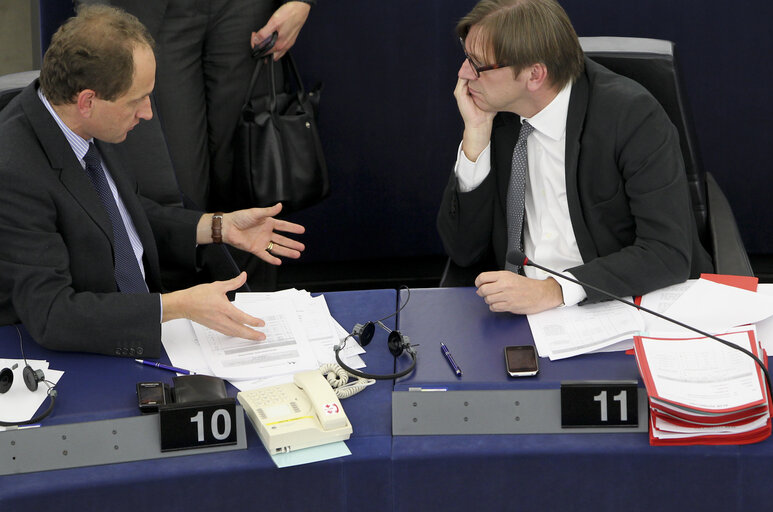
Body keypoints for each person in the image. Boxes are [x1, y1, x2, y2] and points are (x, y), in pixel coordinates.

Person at [0, 5, 306, 358]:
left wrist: (217, 226)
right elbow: (53, 314)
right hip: (88, 354)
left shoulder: (89, 122)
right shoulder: (14, 174)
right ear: (87, 101)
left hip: (150, 325)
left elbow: (117, 214)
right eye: (137, 100)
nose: (147, 113)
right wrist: (174, 307)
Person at [437, 0, 712, 315]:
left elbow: (667, 253)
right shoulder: (496, 116)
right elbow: (463, 252)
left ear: (534, 75)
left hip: (614, 303)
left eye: (477, 64)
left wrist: (555, 290)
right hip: (519, 312)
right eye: (466, 55)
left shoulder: (631, 117)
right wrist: (475, 133)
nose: (463, 72)